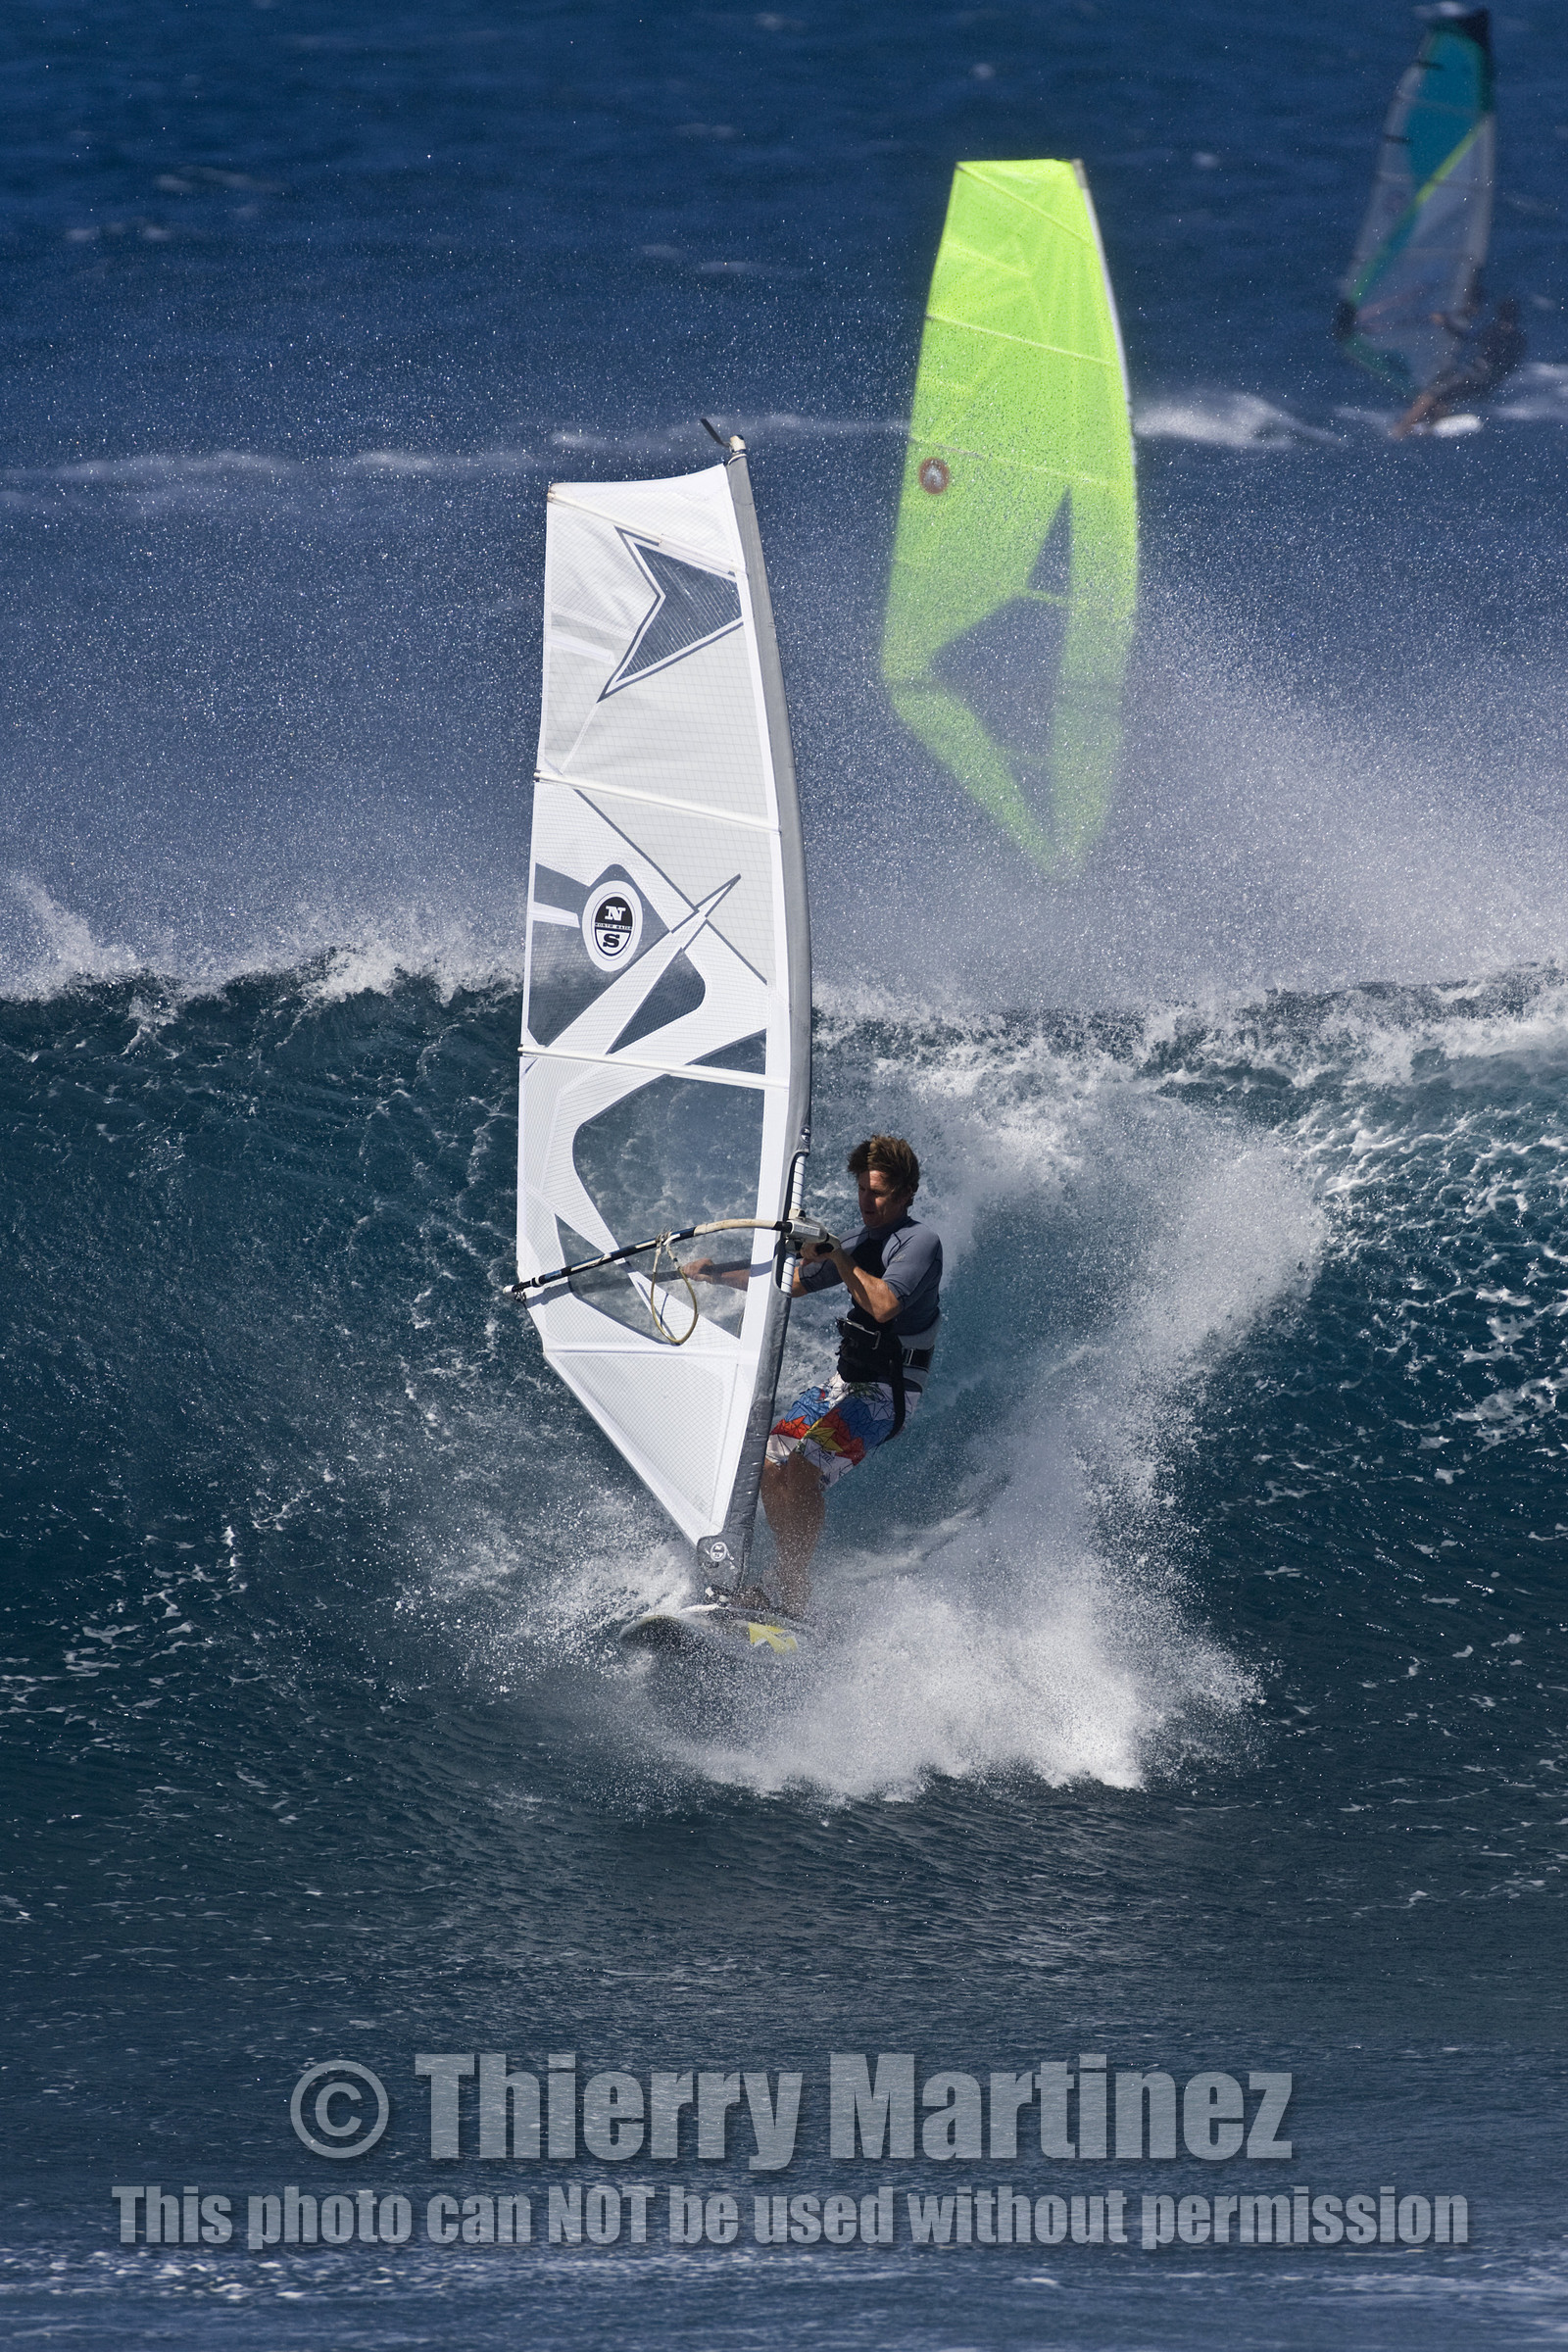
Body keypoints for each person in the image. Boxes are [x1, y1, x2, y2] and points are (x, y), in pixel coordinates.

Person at [688, 1134, 941, 1615]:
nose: (868, 1201)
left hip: (890, 1392)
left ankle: (792, 1590)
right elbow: (791, 1281)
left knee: (802, 1470)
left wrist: (837, 1255)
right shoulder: (858, 1242)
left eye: (881, 1192)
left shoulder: (920, 1242)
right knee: (762, 1464)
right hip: (843, 1386)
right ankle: (783, 1579)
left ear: (907, 1194)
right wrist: (714, 1272)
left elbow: (884, 1306)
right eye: (863, 1190)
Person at [1392, 297, 1526, 439]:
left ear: (1499, 314)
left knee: (1430, 395)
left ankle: (1399, 431)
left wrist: (1445, 322)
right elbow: (1511, 364)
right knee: (1446, 399)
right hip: (1489, 384)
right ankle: (1425, 431)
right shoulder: (1520, 339)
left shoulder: (1494, 331)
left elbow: (1468, 337)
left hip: (1474, 376)